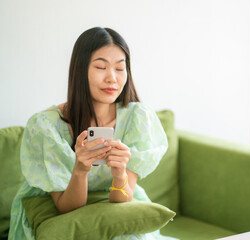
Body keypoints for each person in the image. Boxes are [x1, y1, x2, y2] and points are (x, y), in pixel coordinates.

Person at [9, 27, 171, 240]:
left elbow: (121, 200)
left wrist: (120, 174)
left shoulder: (136, 118)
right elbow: (66, 208)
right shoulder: (46, 126)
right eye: (101, 67)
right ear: (80, 70)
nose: (112, 78)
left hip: (112, 202)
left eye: (120, 69)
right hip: (61, 206)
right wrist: (80, 170)